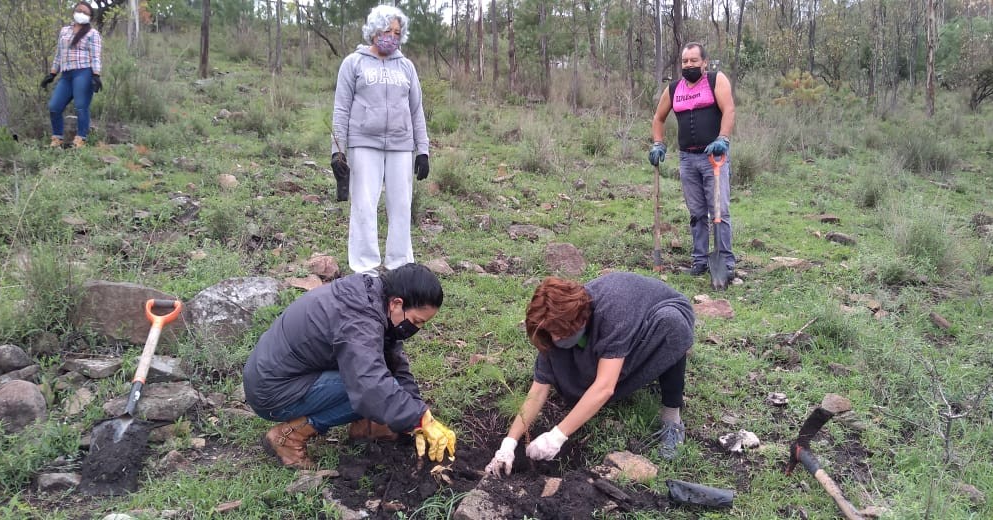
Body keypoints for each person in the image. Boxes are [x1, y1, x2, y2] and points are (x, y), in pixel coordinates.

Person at [242, 263, 456, 469]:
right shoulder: (359, 319)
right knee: (371, 390)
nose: (416, 328)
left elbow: (393, 361)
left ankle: (369, 427)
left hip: (287, 375)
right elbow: (369, 386)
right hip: (272, 391)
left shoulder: (372, 300)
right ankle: (289, 436)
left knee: (380, 381)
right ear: (397, 303)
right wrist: (417, 418)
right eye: (417, 321)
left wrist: (420, 412)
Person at [484, 272, 695, 477]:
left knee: (672, 324)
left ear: (579, 321)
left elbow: (604, 387)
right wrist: (508, 444)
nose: (554, 338)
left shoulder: (613, 313)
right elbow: (537, 392)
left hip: (660, 317)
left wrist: (556, 437)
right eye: (551, 333)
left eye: (558, 333)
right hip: (620, 330)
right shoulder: (552, 328)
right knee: (579, 377)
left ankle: (672, 419)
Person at [332, 5, 430, 277]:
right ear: (374, 31)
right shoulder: (354, 63)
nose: (392, 36)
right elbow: (341, 109)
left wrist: (423, 150)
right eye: (387, 30)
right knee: (364, 203)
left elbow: (416, 110)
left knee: (401, 205)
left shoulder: (407, 67)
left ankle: (400, 264)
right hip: (364, 142)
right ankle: (365, 267)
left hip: (400, 145)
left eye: (397, 32)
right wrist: (337, 151)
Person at [649, 42, 736, 280]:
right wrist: (658, 143)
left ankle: (725, 261)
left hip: (713, 157)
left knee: (720, 211)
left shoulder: (715, 81)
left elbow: (728, 109)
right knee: (696, 212)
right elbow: (658, 118)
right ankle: (700, 261)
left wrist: (723, 139)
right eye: (685, 61)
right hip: (687, 159)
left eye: (694, 61)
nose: (689, 65)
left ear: (704, 62)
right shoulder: (674, 88)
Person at [41, 1, 103, 149]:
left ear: (90, 16)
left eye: (85, 12)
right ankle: (57, 139)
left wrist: (96, 75)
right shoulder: (64, 31)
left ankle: (81, 139)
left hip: (83, 72)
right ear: (74, 12)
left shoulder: (92, 34)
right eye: (78, 10)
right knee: (54, 106)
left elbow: (95, 56)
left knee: (81, 106)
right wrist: (52, 73)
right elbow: (59, 54)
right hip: (66, 75)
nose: (81, 13)